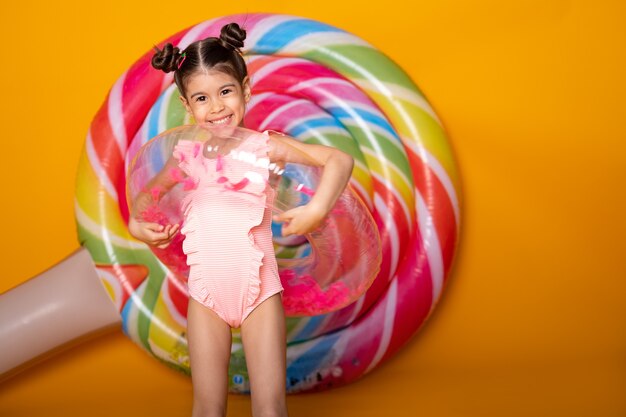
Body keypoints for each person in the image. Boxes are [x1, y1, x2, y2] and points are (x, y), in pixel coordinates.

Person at [128, 22, 354, 417]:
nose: (215, 107)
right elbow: (147, 198)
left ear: (246, 91)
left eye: (226, 92)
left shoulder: (265, 148)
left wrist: (317, 209)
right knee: (207, 407)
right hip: (205, 295)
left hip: (259, 293)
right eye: (202, 97)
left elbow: (339, 159)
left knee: (269, 408)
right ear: (187, 105)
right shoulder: (185, 155)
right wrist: (137, 225)